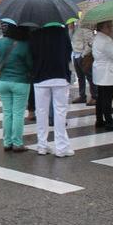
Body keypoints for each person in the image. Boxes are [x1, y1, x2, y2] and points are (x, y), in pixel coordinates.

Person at [29, 25, 74, 157]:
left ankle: (42, 145)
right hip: (60, 75)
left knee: (41, 112)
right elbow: (68, 52)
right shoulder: (61, 31)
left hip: (40, 77)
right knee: (60, 112)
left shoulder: (35, 33)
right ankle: (61, 147)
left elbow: (31, 54)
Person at [0, 24, 33, 152]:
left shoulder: (0, 43)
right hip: (20, 82)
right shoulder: (25, 45)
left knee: (7, 113)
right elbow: (30, 65)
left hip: (3, 82)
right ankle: (17, 142)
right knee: (18, 113)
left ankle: (7, 142)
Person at [93, 20, 113, 131]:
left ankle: (99, 120)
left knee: (101, 97)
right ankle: (109, 122)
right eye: (108, 26)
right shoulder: (105, 40)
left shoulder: (97, 37)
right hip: (107, 73)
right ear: (102, 27)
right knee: (107, 98)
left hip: (100, 72)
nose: (110, 28)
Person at [71, 22, 96, 104]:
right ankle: (82, 96)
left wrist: (83, 54)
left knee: (89, 76)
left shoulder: (84, 27)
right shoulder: (73, 28)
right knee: (80, 77)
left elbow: (90, 42)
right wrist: (71, 29)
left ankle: (94, 96)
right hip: (75, 54)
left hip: (83, 55)